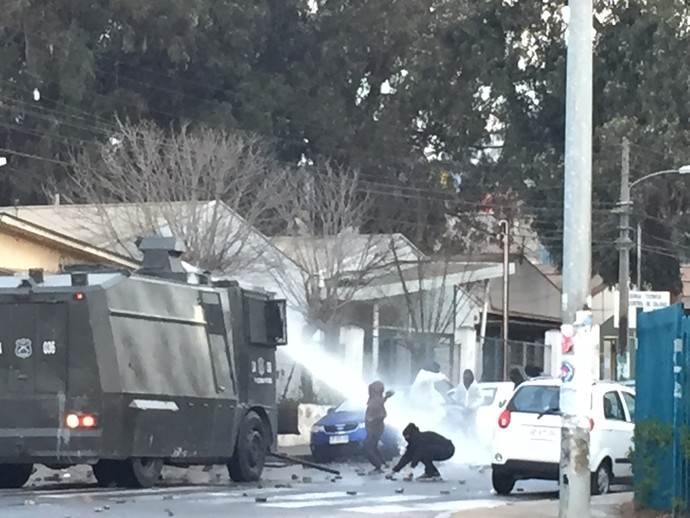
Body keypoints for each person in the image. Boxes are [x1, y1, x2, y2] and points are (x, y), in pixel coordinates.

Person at [390, 423, 455, 480]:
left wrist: (410, 468)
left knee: (422, 453)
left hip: (447, 449)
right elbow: (407, 456)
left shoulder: (421, 440)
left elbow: (418, 454)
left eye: (407, 437)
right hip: (440, 449)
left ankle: (432, 473)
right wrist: (394, 470)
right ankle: (430, 472)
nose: (406, 439)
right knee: (423, 453)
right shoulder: (414, 443)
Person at [362, 380, 394, 474]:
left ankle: (378, 466)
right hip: (374, 428)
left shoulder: (375, 400)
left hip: (374, 429)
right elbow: (381, 402)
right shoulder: (377, 399)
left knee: (366, 447)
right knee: (373, 447)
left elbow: (382, 414)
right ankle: (383, 464)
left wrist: (372, 419)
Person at [452, 369, 483, 442]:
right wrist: (458, 406)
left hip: (471, 413)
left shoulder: (475, 387)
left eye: (468, 376)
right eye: (465, 376)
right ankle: (465, 443)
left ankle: (477, 444)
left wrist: (472, 407)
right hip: (462, 412)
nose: (466, 378)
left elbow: (481, 399)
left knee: (473, 430)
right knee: (462, 430)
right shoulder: (460, 386)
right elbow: (455, 398)